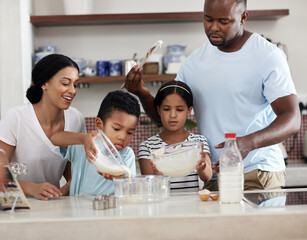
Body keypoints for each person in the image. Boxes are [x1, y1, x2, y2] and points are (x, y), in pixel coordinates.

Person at [123, 0, 301, 191]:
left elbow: (292, 119)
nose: (213, 28)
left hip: (256, 171)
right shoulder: (193, 63)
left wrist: (248, 143)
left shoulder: (267, 55)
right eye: (208, 19)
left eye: (224, 21)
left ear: (243, 17)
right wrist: (141, 92)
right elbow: (165, 118)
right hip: (215, 176)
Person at [0, 54, 85, 200]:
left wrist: (62, 192)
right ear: (44, 84)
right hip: (16, 205)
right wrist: (32, 188)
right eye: (65, 83)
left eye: (75, 84)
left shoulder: (76, 119)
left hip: (52, 207)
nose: (73, 91)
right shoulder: (16, 118)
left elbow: (75, 172)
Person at [50, 90, 140, 196]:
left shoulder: (126, 155)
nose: (122, 137)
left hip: (110, 209)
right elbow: (54, 138)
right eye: (116, 129)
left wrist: (121, 180)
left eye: (129, 132)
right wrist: (83, 138)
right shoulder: (84, 145)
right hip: (78, 209)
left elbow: (131, 189)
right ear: (99, 124)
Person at [138, 80, 212, 192]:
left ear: (189, 111)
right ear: (159, 110)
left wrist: (203, 166)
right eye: (166, 109)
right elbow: (149, 186)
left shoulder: (198, 142)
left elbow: (207, 177)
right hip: (162, 207)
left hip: (191, 207)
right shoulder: (147, 146)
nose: (173, 115)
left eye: (179, 109)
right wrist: (156, 175)